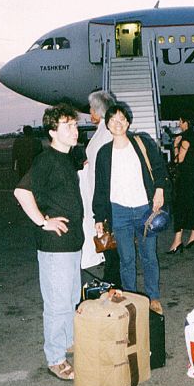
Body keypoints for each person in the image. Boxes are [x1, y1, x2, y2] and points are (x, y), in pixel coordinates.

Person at [14, 103, 84, 381]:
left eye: (75, 124)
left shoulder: (67, 157)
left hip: (71, 244)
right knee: (57, 304)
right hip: (55, 247)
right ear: (53, 131)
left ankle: (67, 341)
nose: (75, 130)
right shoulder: (47, 160)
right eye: (68, 125)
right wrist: (44, 221)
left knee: (69, 298)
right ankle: (55, 358)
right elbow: (21, 192)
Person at [93, 104, 169, 315]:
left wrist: (159, 190)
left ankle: (153, 298)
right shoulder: (104, 154)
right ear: (107, 124)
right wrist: (98, 217)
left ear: (128, 122)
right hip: (119, 212)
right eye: (113, 120)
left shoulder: (141, 143)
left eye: (122, 119)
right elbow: (100, 188)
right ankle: (131, 299)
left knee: (149, 256)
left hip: (145, 209)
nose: (118, 123)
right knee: (126, 260)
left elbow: (160, 168)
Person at [78, 91, 121, 287]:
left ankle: (114, 280)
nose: (89, 113)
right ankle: (112, 277)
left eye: (91, 109)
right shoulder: (101, 131)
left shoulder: (107, 132)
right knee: (107, 238)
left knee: (109, 238)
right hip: (98, 192)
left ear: (98, 110)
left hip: (105, 194)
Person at [167, 110, 194, 253]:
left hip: (184, 178)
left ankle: (177, 241)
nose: (179, 124)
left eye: (180, 121)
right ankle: (193, 237)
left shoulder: (184, 138)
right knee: (192, 206)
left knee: (179, 207)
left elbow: (179, 160)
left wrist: (175, 146)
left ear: (185, 122)